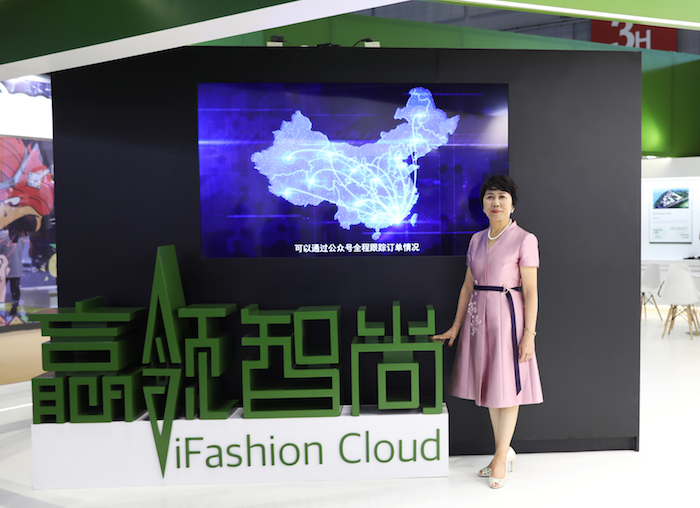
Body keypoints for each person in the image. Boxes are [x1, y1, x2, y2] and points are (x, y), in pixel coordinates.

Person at [431, 174, 542, 489]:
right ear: (482, 204)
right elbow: (468, 286)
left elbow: (531, 291)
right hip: (480, 320)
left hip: (509, 319)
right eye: (490, 197)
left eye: (502, 197)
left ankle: (500, 457)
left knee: (509, 389)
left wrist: (529, 334)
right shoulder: (477, 239)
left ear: (512, 204)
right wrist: (456, 326)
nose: (496, 203)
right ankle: (502, 452)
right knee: (493, 387)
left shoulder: (525, 239)